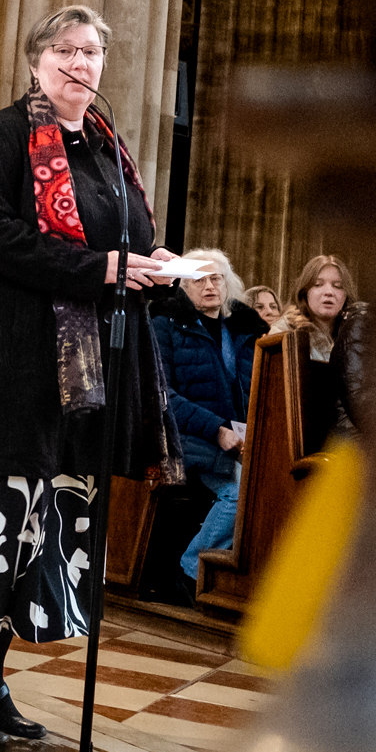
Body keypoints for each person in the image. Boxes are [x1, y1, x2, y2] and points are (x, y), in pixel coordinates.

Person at [0, 4, 181, 752]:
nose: (80, 63)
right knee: (0, 519)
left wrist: (151, 265)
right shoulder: (4, 135)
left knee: (44, 527)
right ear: (36, 61)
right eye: (65, 50)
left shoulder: (105, 146)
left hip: (82, 374)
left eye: (92, 51)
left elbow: (126, 235)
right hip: (12, 362)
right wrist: (98, 267)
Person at [150, 247, 264, 588]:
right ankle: (190, 570)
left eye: (216, 278)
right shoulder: (165, 326)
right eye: (199, 280)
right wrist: (217, 430)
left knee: (273, 489)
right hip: (189, 440)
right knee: (240, 495)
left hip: (241, 441)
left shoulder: (245, 331)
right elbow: (162, 395)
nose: (209, 286)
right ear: (184, 286)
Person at [282, 254, 370, 448]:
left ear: (346, 295)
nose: (329, 292)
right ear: (304, 292)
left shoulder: (357, 335)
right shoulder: (284, 333)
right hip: (304, 443)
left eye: (337, 286)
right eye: (318, 284)